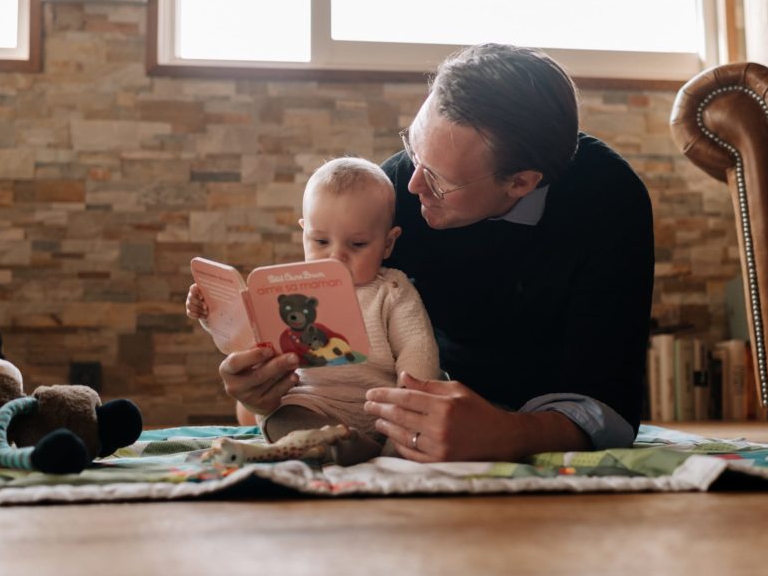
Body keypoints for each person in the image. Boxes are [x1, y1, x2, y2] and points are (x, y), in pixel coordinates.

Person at [189, 43, 654, 463]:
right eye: (413, 149)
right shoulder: (394, 190)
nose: (412, 186)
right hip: (416, 399)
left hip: (535, 406)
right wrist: (261, 388)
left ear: (520, 182)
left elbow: (609, 406)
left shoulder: (608, 201)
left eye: (438, 180)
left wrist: (510, 433)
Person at [188, 157, 440, 463]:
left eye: (357, 244)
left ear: (387, 243)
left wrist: (408, 398)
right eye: (321, 241)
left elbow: (417, 345)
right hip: (308, 406)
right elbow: (249, 333)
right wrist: (212, 313)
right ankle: (339, 447)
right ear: (304, 232)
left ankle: (375, 448)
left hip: (378, 408)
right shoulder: (287, 288)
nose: (336, 256)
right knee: (280, 418)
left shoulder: (392, 289)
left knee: (411, 427)